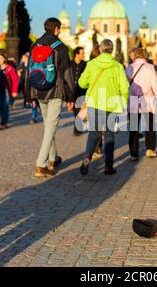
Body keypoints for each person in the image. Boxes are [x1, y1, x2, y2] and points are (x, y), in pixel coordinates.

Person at [78, 39, 130, 176]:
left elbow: (82, 83)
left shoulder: (91, 64)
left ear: (100, 49)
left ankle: (87, 157)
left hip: (94, 103)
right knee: (109, 135)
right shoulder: (118, 66)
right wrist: (123, 102)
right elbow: (125, 87)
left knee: (93, 134)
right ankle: (108, 166)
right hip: (111, 105)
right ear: (111, 50)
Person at [32, 18, 75, 178]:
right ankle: (41, 164)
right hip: (55, 92)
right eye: (60, 28)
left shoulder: (35, 45)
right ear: (56, 29)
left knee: (48, 126)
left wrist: (30, 94)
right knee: (50, 128)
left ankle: (53, 158)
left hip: (39, 90)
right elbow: (66, 74)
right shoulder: (60, 47)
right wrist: (70, 97)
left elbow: (31, 70)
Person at [126, 47, 157, 160]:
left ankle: (133, 154)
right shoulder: (150, 68)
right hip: (147, 100)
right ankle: (150, 149)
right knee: (150, 126)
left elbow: (125, 86)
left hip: (133, 101)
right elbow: (155, 86)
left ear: (135, 56)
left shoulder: (129, 68)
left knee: (133, 128)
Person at [0, 50, 19, 130]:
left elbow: (15, 80)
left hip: (6, 90)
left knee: (5, 107)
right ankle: (4, 121)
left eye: (1, 58)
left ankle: (4, 123)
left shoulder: (9, 68)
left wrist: (14, 91)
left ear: (4, 59)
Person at [71, 47, 87, 136]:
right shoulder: (70, 63)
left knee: (79, 110)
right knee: (75, 110)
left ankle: (77, 128)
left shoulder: (85, 64)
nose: (83, 55)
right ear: (76, 54)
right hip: (72, 91)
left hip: (81, 91)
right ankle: (77, 126)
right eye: (82, 53)